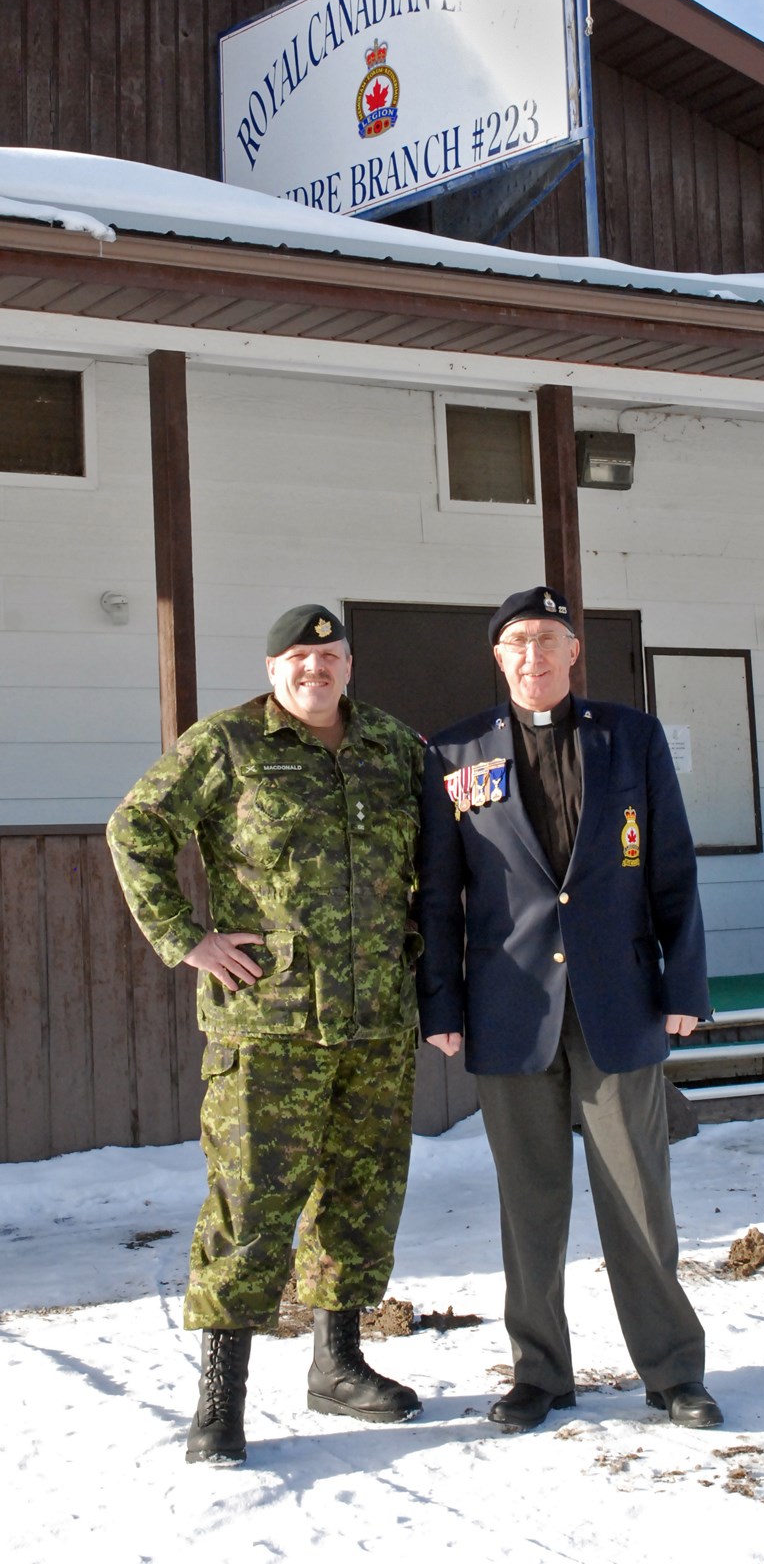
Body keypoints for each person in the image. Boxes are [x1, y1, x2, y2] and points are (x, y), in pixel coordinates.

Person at [107, 605, 425, 1465]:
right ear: (274, 666)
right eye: (296, 656)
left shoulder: (396, 749)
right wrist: (186, 938)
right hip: (270, 1028)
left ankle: (339, 1364)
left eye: (327, 655)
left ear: (350, 664)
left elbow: (438, 865)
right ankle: (220, 1400)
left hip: (376, 1027)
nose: (313, 669)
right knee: (249, 1212)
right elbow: (136, 827)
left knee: (360, 1199)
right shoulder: (228, 745)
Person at [416, 586, 722, 1434]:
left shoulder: (631, 737)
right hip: (508, 1011)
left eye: (549, 639)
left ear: (574, 651)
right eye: (518, 642)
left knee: (638, 1197)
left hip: (619, 1004)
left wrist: (685, 988)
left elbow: (672, 867)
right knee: (530, 1204)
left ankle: (671, 1371)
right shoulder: (454, 753)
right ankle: (540, 1373)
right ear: (498, 656)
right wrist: (439, 1001)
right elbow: (439, 896)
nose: (534, 655)